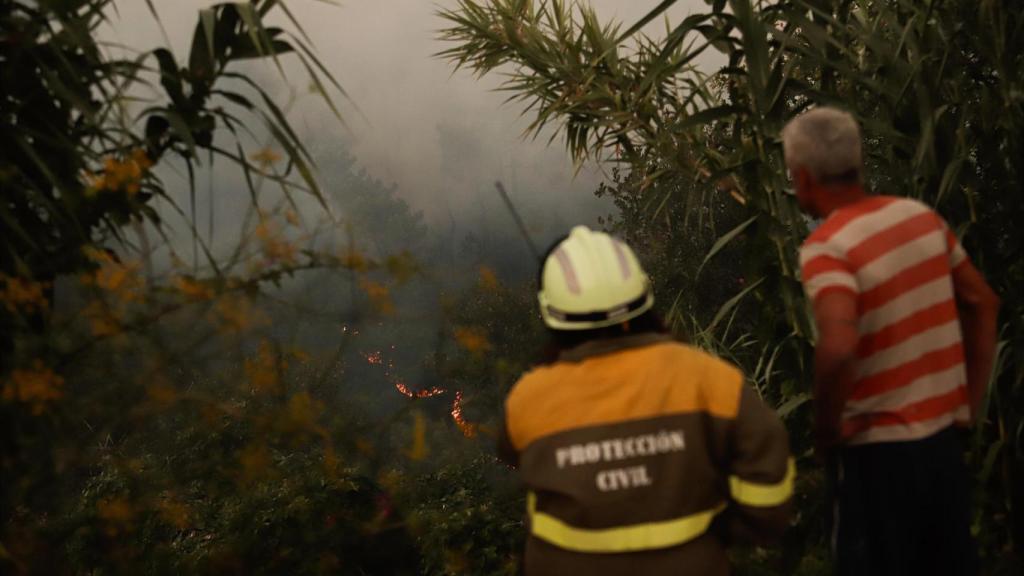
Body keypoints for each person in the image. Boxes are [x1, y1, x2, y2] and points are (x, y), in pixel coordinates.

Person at [497, 225, 793, 576]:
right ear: (643, 297)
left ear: (552, 314)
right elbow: (769, 485)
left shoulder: (528, 398)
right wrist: (729, 531)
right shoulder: (708, 378)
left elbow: (511, 454)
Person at [782, 107, 1001, 576]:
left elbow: (839, 347)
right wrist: (968, 403)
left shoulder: (827, 247)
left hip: (877, 457)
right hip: (942, 444)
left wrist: (825, 430)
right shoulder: (921, 217)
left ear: (802, 178)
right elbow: (983, 303)